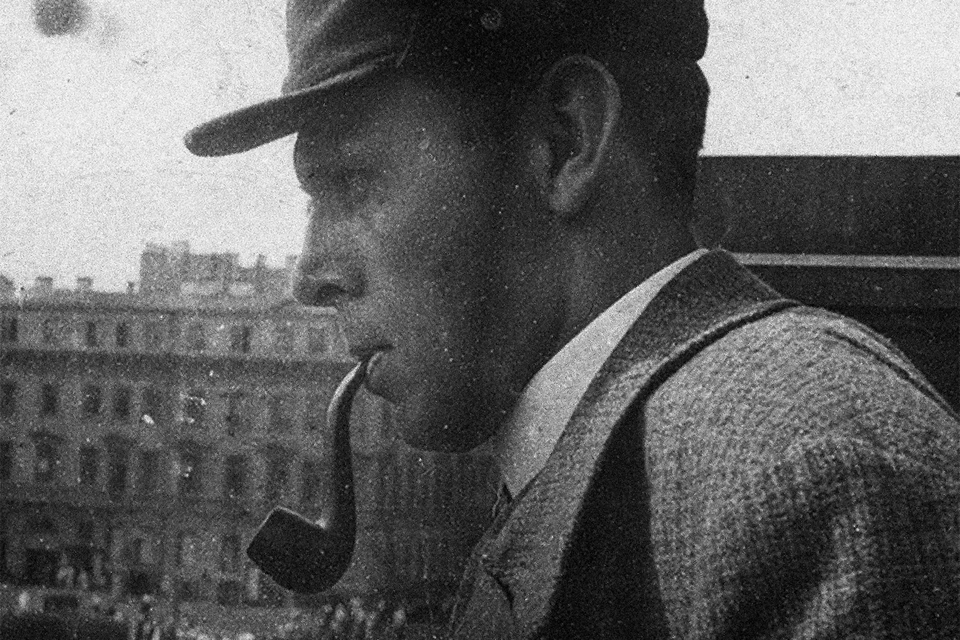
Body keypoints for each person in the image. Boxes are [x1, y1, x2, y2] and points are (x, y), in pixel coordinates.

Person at [184, 0, 960, 637]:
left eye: (353, 184)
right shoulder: (618, 453)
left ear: (564, 143)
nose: (309, 277)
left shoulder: (808, 473)